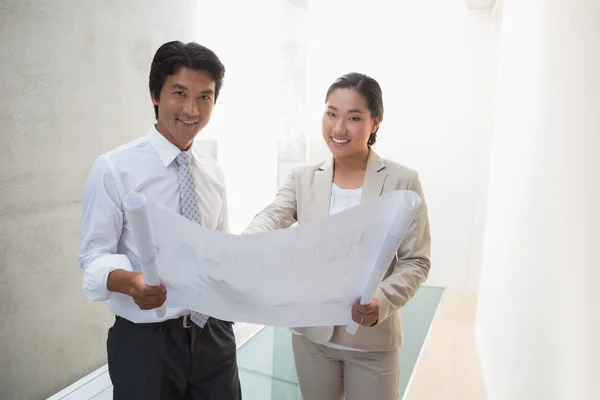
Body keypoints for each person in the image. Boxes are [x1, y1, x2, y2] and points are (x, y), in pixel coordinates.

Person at [243, 72, 431, 400]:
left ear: (376, 123)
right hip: (311, 338)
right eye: (331, 113)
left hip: (372, 342)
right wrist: (243, 246)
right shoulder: (303, 178)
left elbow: (416, 261)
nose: (339, 128)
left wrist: (382, 301)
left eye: (353, 118)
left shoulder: (403, 181)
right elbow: (273, 216)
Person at [77, 41, 241, 400]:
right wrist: (131, 282)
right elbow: (92, 261)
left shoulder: (214, 174)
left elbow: (218, 252)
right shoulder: (113, 169)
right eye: (179, 93)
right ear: (155, 94)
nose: (191, 109)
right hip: (146, 343)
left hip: (213, 336)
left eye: (204, 97)